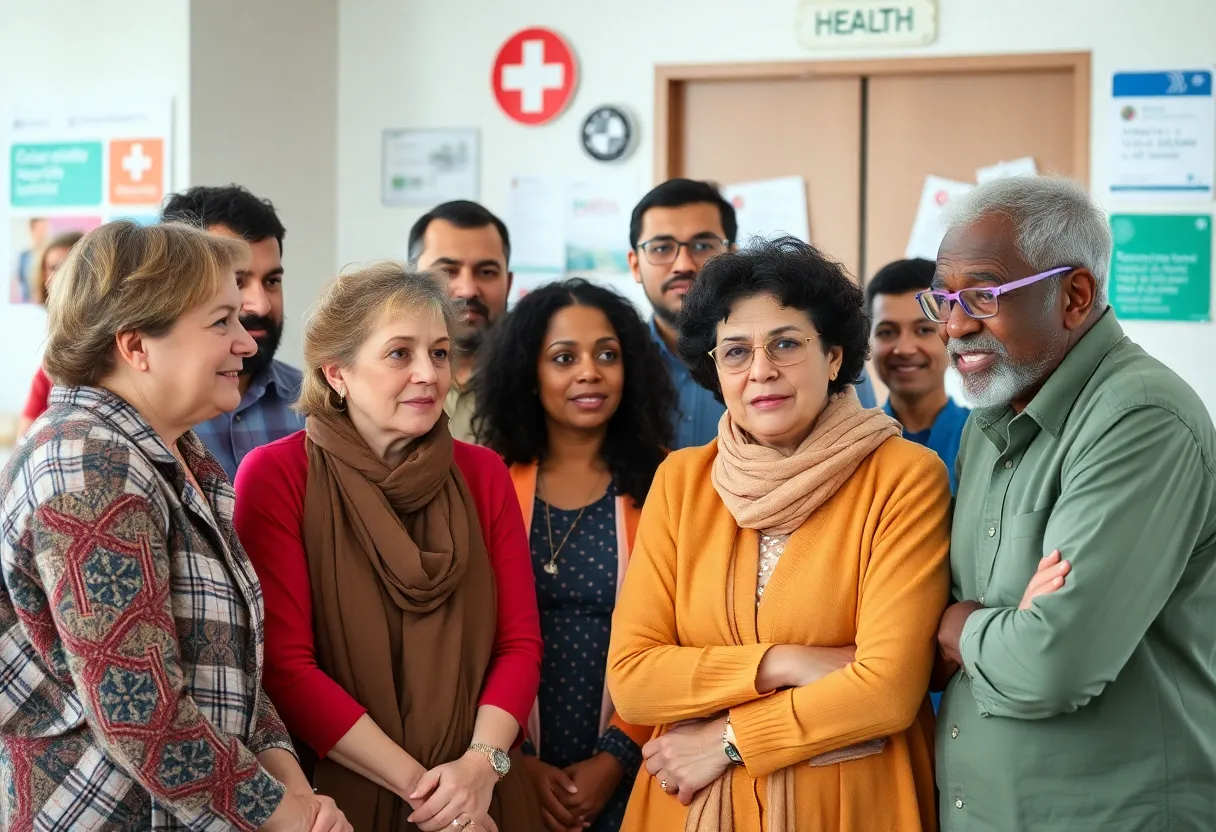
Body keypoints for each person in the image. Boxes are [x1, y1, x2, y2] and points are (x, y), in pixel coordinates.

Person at [0, 220, 349, 832]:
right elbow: (140, 716)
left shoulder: (173, 452)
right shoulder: (90, 467)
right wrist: (286, 815)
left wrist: (293, 786)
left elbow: (232, 664)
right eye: (220, 322)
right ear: (136, 346)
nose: (246, 342)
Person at [607, 237, 950, 831]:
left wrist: (727, 739)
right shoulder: (682, 481)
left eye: (786, 344)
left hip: (847, 807)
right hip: (687, 809)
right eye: (735, 351)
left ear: (834, 357)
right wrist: (784, 663)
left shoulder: (903, 477)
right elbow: (634, 681)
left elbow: (887, 690)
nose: (761, 370)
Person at [929, 176, 1216, 831]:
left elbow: (1052, 667)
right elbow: (916, 636)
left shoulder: (1141, 417)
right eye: (943, 298)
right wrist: (990, 626)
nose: (954, 325)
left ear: (1075, 295)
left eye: (982, 295)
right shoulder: (990, 420)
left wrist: (958, 627)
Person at [233, 263, 544, 832]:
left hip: (484, 795)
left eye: (440, 353)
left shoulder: (484, 474)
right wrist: (434, 797)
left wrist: (480, 768)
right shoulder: (276, 476)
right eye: (400, 353)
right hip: (339, 805)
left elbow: (518, 643)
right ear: (337, 373)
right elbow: (285, 668)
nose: (428, 373)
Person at [473, 279, 676, 832]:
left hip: (640, 762)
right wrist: (513, 760)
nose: (590, 372)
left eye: (607, 355)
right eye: (564, 358)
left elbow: (683, 635)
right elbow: (464, 639)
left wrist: (616, 758)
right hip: (504, 763)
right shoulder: (485, 480)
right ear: (529, 373)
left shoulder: (671, 482)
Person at [629, 179, 877, 449]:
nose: (683, 264)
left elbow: (859, 447)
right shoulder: (616, 363)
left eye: (702, 245)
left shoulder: (824, 354)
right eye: (661, 248)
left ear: (730, 256)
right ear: (635, 264)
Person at [162, 184, 305, 479]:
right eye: (237, 282)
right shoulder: (147, 411)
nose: (261, 306)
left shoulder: (316, 404)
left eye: (272, 281)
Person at [408, 200, 513, 443]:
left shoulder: (540, 379)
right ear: (411, 280)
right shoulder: (379, 377)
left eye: (486, 272)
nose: (467, 290)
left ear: (508, 283)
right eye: (447, 271)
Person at [866, 257, 969, 494]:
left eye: (923, 330)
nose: (905, 349)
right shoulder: (855, 446)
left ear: (951, 333)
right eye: (887, 332)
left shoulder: (988, 442)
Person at [16, 229, 85, 438]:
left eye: (68, 266)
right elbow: (24, 434)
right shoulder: (47, 367)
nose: (59, 276)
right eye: (53, 268)